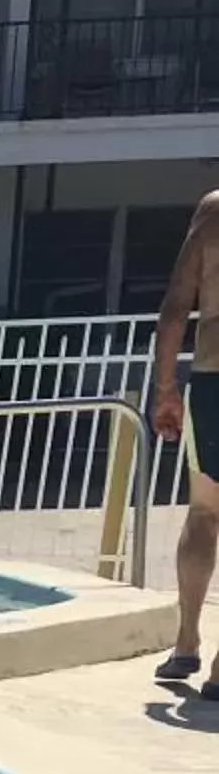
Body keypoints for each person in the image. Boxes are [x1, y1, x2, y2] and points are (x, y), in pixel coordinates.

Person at [151, 190, 219, 699]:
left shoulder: (214, 209)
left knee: (204, 512)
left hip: (214, 379)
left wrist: (166, 388)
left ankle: (186, 640)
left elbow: (176, 306)